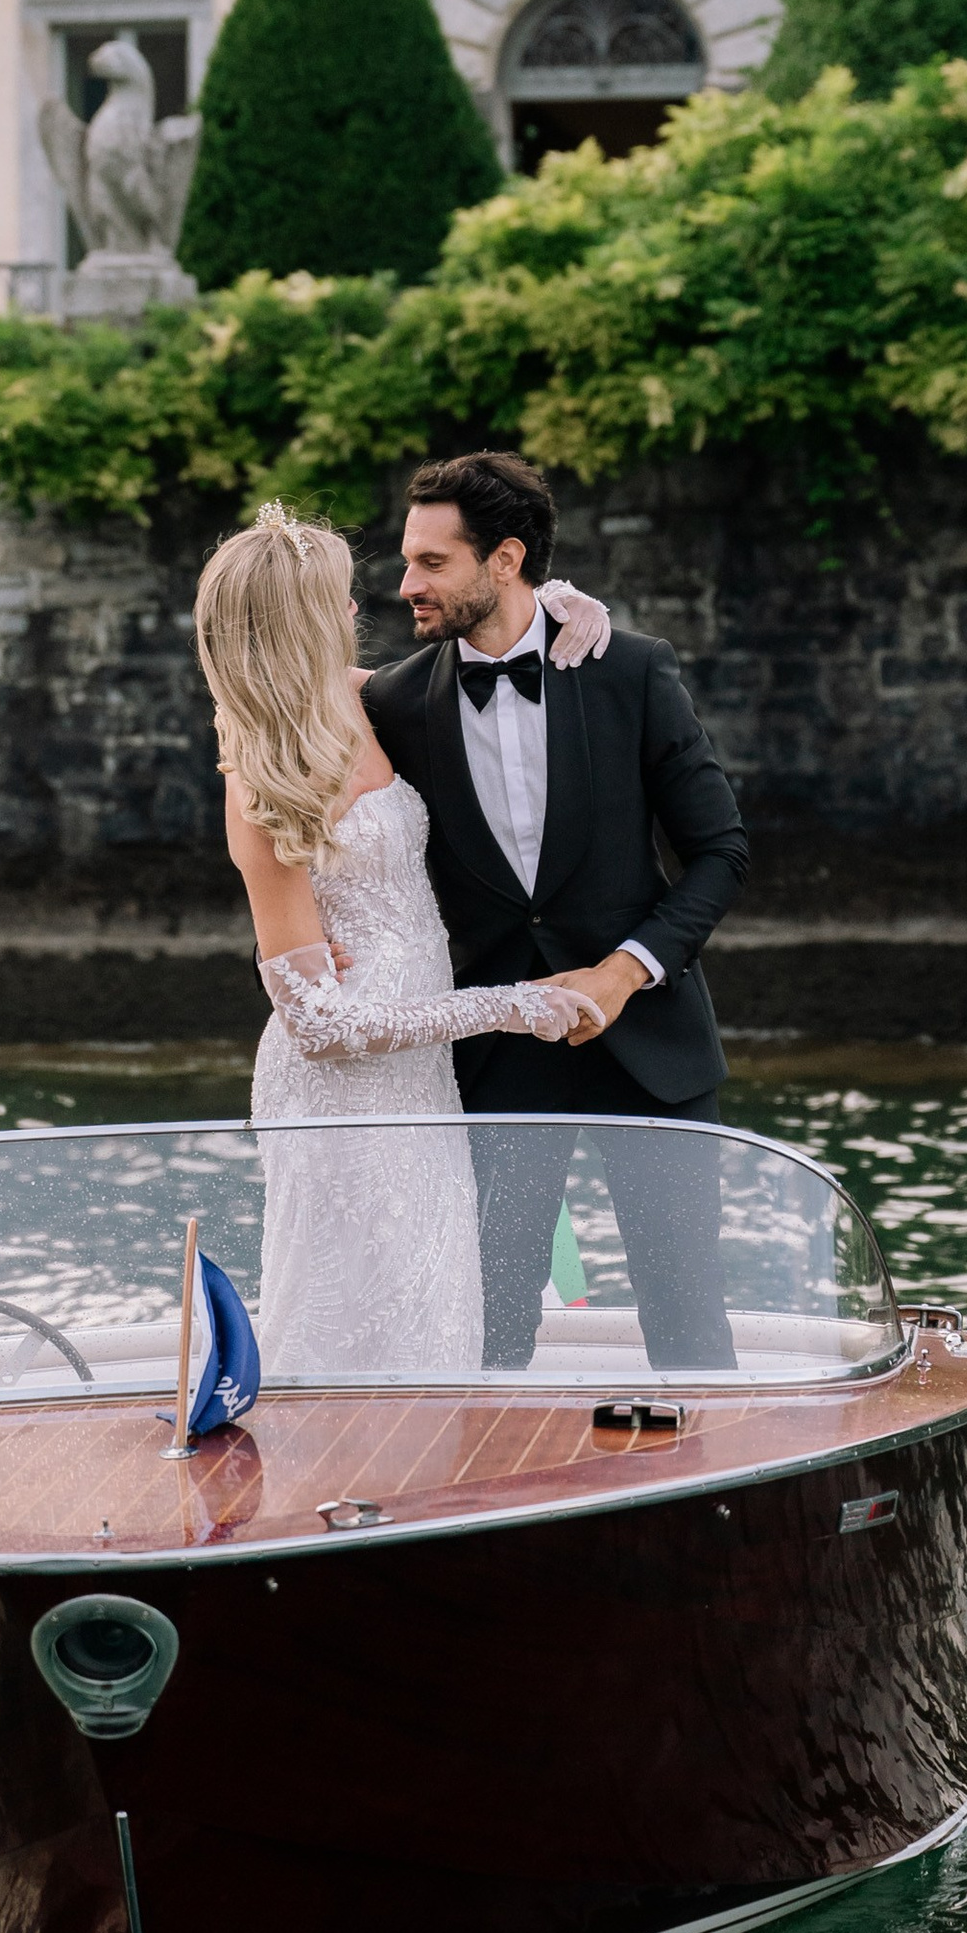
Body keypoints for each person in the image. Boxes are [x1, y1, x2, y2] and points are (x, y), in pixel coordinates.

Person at [194, 503, 610, 1380]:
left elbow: (486, 655)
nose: (358, 611)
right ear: (297, 621)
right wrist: (509, 1006)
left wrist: (553, 601)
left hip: (420, 1078)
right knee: (366, 1314)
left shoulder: (361, 697)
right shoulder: (258, 778)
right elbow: (320, 1027)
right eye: (337, 601)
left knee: (438, 1299)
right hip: (341, 1096)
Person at [360, 448, 749, 1373]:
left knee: (689, 1321)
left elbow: (721, 852)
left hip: (650, 1044)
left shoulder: (628, 670)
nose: (405, 583)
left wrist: (623, 973)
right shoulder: (391, 703)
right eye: (407, 559)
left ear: (504, 560)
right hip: (496, 1058)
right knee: (490, 1328)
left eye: (431, 562)